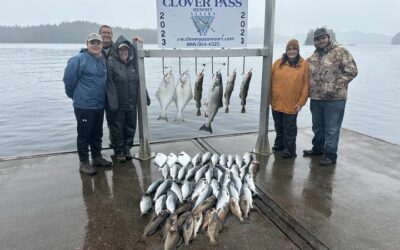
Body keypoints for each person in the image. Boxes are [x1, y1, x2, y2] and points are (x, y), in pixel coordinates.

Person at [303, 27, 358, 166]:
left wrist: (335, 85)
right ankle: (317, 149)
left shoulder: (340, 51)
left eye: (323, 38)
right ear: (314, 41)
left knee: (332, 129)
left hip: (335, 100)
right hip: (316, 99)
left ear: (328, 38)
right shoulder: (314, 56)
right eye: (317, 39)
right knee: (317, 127)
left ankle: (330, 155)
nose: (320, 41)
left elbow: (352, 71)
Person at [63, 33, 113, 176]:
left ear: (102, 45)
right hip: (83, 105)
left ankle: (96, 157)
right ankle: (84, 162)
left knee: (97, 133)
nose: (96, 45)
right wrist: (75, 96)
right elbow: (68, 81)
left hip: (99, 105)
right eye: (93, 42)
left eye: (98, 43)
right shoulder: (78, 59)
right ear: (87, 44)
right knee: (84, 134)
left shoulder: (102, 60)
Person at [270, 39, 309, 159]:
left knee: (289, 128)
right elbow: (269, 80)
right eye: (289, 49)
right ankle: (279, 144)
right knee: (278, 126)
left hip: (292, 103)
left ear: (298, 50)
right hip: (276, 101)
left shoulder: (304, 64)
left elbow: (306, 85)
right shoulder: (277, 63)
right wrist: (268, 98)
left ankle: (290, 150)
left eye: (294, 49)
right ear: (286, 50)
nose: (291, 51)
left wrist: (301, 102)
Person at [106, 36, 140, 162]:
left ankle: (127, 148)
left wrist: (145, 95)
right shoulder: (111, 62)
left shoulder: (133, 64)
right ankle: (119, 150)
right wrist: (112, 102)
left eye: (125, 50)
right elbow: (109, 84)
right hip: (117, 104)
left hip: (131, 103)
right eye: (121, 50)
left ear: (129, 51)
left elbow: (138, 82)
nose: (123, 52)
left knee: (130, 126)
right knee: (117, 128)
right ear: (116, 51)